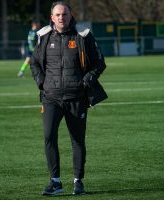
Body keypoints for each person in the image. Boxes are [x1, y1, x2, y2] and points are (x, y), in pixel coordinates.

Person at [30, 1, 107, 196]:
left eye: (64, 14)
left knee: (77, 140)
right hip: (51, 98)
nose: (61, 18)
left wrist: (86, 81)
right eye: (57, 15)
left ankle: (78, 181)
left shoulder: (84, 35)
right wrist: (42, 83)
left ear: (71, 16)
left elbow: (99, 62)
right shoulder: (43, 36)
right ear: (52, 17)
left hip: (76, 98)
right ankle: (55, 182)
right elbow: (35, 64)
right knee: (49, 137)